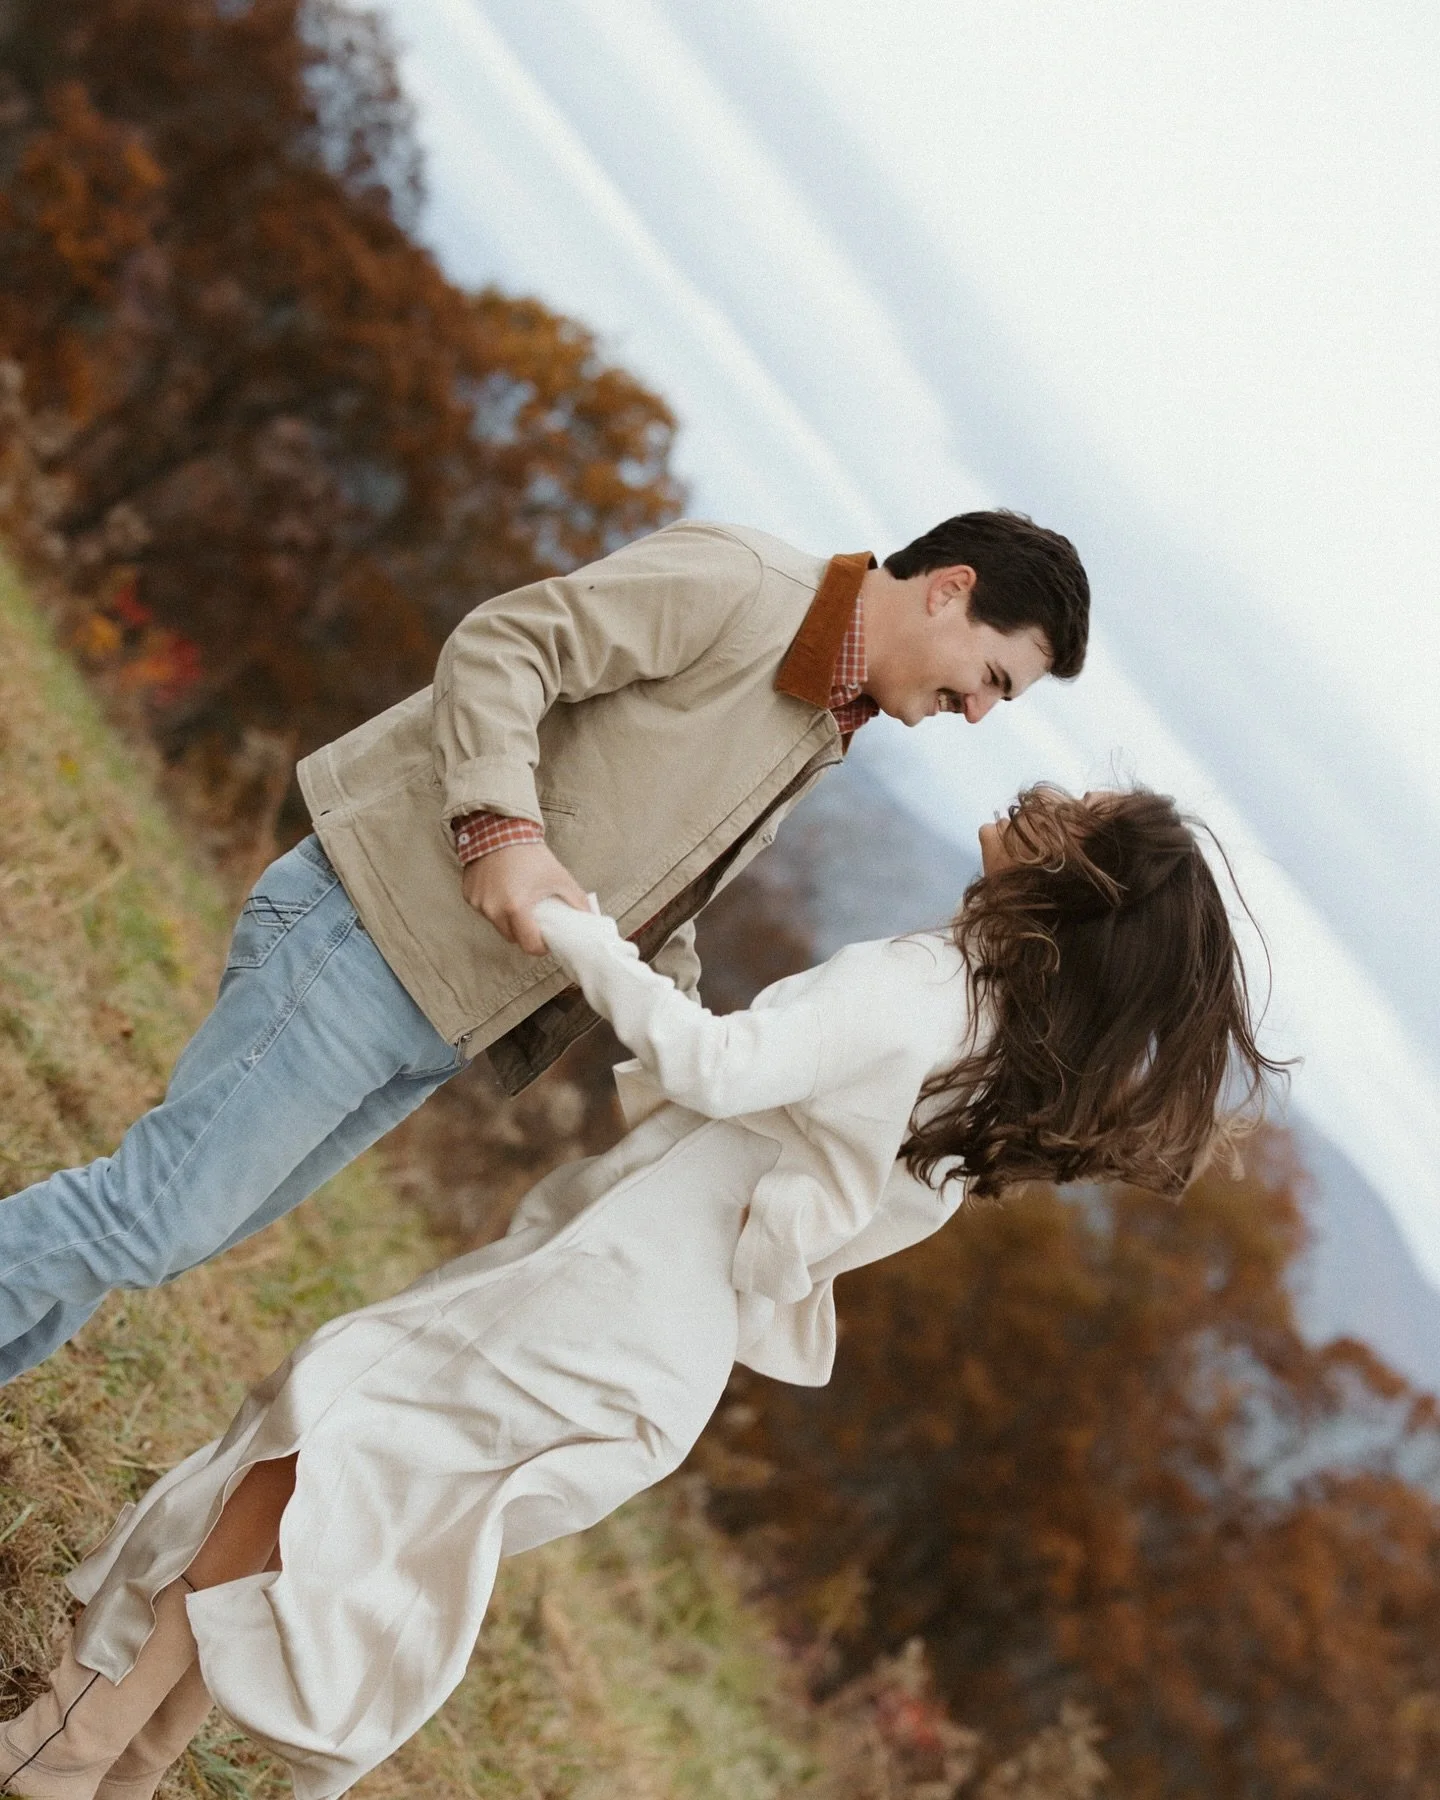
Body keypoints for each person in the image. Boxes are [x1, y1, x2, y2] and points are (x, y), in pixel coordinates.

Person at [0, 785, 1280, 1800]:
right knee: (323, 1501)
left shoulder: (925, 988)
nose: (1045, 794)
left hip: (597, 1303)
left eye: (1081, 815)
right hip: (661, 1357)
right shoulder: (988, 1071)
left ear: (1077, 886)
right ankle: (115, 1766)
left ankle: (60, 1754)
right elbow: (769, 1134)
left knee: (309, 1450)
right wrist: (664, 960)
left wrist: (566, 918)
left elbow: (714, 1069)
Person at [0, 511, 1089, 1382]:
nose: (979, 713)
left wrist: (703, 1045)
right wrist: (498, 827)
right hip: (369, 935)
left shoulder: (820, 720)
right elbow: (505, 645)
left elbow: (660, 895)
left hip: (439, 1008)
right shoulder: (746, 586)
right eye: (996, 679)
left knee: (164, 1234)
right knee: (147, 1218)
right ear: (949, 591)